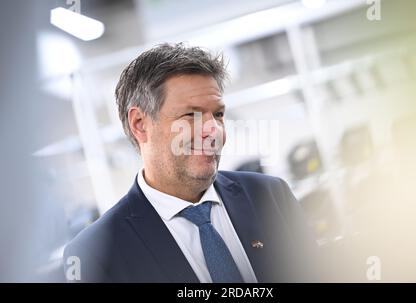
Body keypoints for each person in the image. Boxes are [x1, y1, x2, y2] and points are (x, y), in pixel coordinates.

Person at [63, 43, 319, 283]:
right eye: (191, 115)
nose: (213, 130)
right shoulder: (96, 253)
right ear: (140, 124)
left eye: (218, 114)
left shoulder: (271, 196)